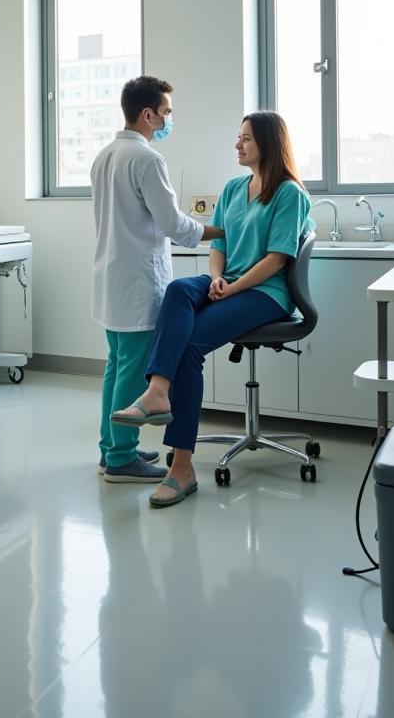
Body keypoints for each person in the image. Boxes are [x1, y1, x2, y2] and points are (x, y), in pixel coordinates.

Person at [112, 110, 314, 507]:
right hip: (230, 283)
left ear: (268, 145)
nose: (237, 145)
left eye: (246, 139)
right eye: (238, 137)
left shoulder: (290, 193)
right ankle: (157, 391)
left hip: (265, 293)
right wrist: (218, 278)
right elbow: (218, 246)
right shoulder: (233, 189)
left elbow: (276, 259)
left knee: (190, 345)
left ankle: (181, 467)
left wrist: (235, 286)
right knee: (178, 290)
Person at [92, 75, 223, 483]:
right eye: (165, 112)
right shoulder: (147, 159)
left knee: (117, 367)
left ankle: (111, 448)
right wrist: (217, 230)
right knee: (131, 372)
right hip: (136, 282)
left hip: (111, 277)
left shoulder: (105, 155)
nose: (168, 120)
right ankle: (120, 459)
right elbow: (172, 223)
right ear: (147, 114)